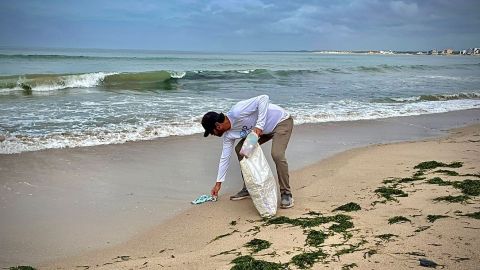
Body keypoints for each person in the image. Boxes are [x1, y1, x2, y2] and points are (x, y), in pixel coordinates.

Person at [201, 95, 294, 208]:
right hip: (261, 133)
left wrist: (259, 125)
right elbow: (225, 158)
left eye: (212, 132)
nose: (213, 135)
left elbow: (263, 98)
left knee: (277, 154)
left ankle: (286, 193)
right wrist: (218, 184)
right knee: (241, 150)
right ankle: (249, 188)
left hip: (281, 122)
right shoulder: (228, 135)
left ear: (217, 126)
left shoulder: (237, 111)